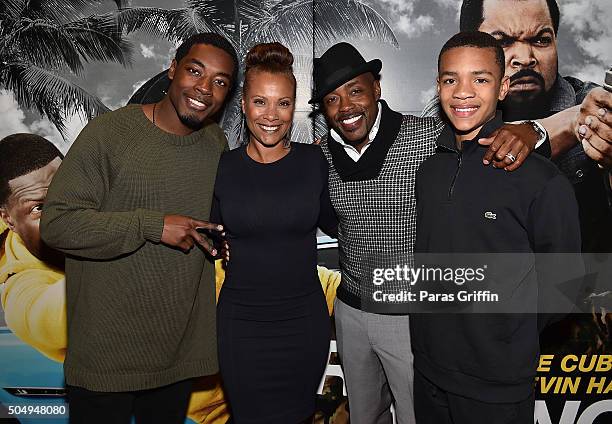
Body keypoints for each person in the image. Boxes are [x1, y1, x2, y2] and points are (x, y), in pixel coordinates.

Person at [311, 41, 546, 424]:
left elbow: (486, 137)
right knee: (363, 416)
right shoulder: (320, 156)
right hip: (350, 311)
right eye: (333, 99)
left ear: (376, 89)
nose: (346, 107)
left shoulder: (427, 138)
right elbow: (330, 219)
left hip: (409, 316)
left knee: (415, 416)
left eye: (355, 91)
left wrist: (532, 131)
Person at [39, 33, 238, 424]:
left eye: (220, 82)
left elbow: (211, 220)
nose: (204, 89)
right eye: (195, 71)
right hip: (106, 360)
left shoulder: (216, 144)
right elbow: (57, 223)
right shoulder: (110, 133)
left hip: (175, 357)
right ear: (172, 69)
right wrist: (151, 225)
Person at [411, 31, 582, 424]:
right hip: (429, 372)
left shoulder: (540, 179)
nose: (463, 92)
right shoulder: (429, 171)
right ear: (438, 86)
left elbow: (566, 286)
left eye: (481, 79)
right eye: (451, 79)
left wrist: (504, 330)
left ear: (503, 87)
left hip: (496, 386)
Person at [212, 42, 338, 424]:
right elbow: (206, 233)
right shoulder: (221, 167)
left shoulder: (315, 161)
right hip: (242, 324)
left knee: (298, 416)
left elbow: (341, 222)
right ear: (244, 105)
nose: (271, 115)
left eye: (283, 103)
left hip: (303, 322)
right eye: (260, 102)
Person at [423, 0, 612, 253]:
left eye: (541, 40)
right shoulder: (443, 115)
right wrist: (554, 127)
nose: (525, 59)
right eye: (503, 42)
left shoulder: (593, 105)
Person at [0, 133, 66, 362]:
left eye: (66, 194)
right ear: (8, 219)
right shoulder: (22, 290)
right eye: (39, 208)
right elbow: (46, 317)